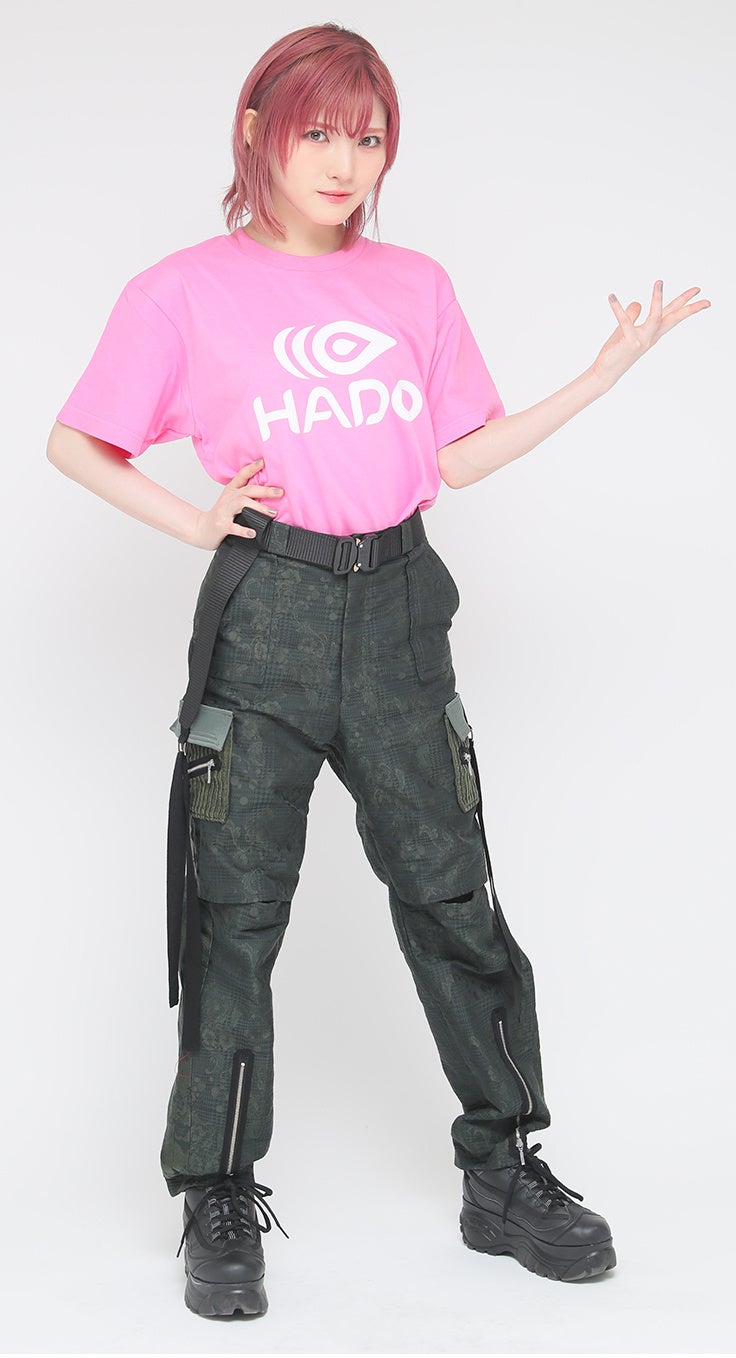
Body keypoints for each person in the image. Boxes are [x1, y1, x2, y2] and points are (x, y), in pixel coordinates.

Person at [47, 21, 710, 1321]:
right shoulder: (182, 292)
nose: (346, 162)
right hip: (268, 614)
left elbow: (449, 459)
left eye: (368, 136)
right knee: (233, 913)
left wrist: (596, 378)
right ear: (257, 132)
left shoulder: (414, 285)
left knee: (453, 895)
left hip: (402, 607)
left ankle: (502, 1172)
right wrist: (196, 524)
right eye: (318, 131)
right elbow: (78, 441)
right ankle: (217, 1190)